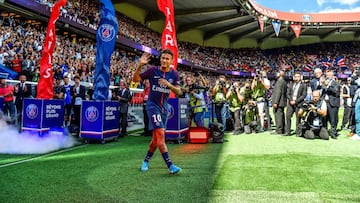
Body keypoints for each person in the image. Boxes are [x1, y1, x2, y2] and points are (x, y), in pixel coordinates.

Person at [132, 49, 182, 174]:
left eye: (167, 59)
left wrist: (169, 85)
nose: (164, 60)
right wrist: (140, 65)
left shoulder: (174, 74)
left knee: (156, 139)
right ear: (160, 59)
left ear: (171, 61)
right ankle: (170, 166)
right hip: (152, 106)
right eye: (163, 58)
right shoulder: (152, 70)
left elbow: (179, 92)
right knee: (160, 135)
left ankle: (145, 161)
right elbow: (136, 79)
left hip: (164, 108)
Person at [285, 72, 307, 136]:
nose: (297, 78)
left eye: (298, 76)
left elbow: (303, 95)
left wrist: (296, 101)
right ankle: (288, 131)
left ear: (300, 77)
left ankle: (298, 132)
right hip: (290, 104)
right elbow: (288, 93)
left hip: (298, 104)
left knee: (298, 118)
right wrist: (291, 100)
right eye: (296, 76)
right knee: (288, 116)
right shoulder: (291, 84)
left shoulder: (304, 85)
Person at [322, 69, 340, 139]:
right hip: (325, 103)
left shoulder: (336, 83)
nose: (328, 76)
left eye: (330, 75)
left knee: (333, 119)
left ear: (333, 76)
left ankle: (333, 132)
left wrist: (328, 86)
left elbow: (336, 92)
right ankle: (324, 132)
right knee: (324, 118)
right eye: (327, 75)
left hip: (333, 103)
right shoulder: (324, 83)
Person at [271, 70, 287, 135]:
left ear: (280, 74)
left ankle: (279, 130)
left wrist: (276, 102)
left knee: (278, 116)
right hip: (282, 102)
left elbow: (278, 92)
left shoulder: (279, 82)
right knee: (281, 115)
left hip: (279, 102)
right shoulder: (284, 81)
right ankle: (282, 129)